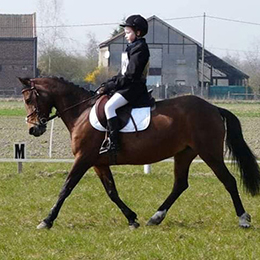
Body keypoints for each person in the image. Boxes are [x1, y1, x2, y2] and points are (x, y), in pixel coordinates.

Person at [99, 14, 151, 155]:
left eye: (128, 32)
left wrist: (112, 86)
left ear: (138, 32)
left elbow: (131, 75)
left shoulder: (140, 48)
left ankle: (114, 144)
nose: (125, 35)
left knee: (109, 107)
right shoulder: (132, 47)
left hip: (134, 88)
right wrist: (108, 83)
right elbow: (123, 73)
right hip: (127, 85)